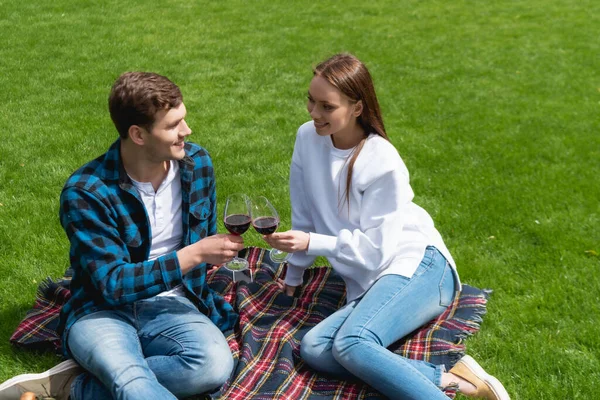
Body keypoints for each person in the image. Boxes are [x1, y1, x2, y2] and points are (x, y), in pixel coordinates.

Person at [263, 54, 510, 400]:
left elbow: (376, 250)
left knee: (352, 343)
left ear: (357, 107)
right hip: (368, 278)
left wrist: (312, 243)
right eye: (310, 100)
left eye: (326, 106)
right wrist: (293, 276)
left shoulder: (382, 161)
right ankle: (451, 378)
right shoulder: (307, 138)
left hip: (418, 265)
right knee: (316, 349)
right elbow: (304, 214)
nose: (313, 113)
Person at [0, 72, 244, 400]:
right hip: (101, 309)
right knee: (130, 378)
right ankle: (117, 374)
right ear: (138, 134)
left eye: (183, 119)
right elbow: (112, 285)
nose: (187, 130)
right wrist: (194, 255)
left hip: (173, 302)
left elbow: (205, 233)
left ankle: (74, 386)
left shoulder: (196, 164)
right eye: (173, 125)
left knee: (211, 367)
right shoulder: (87, 191)